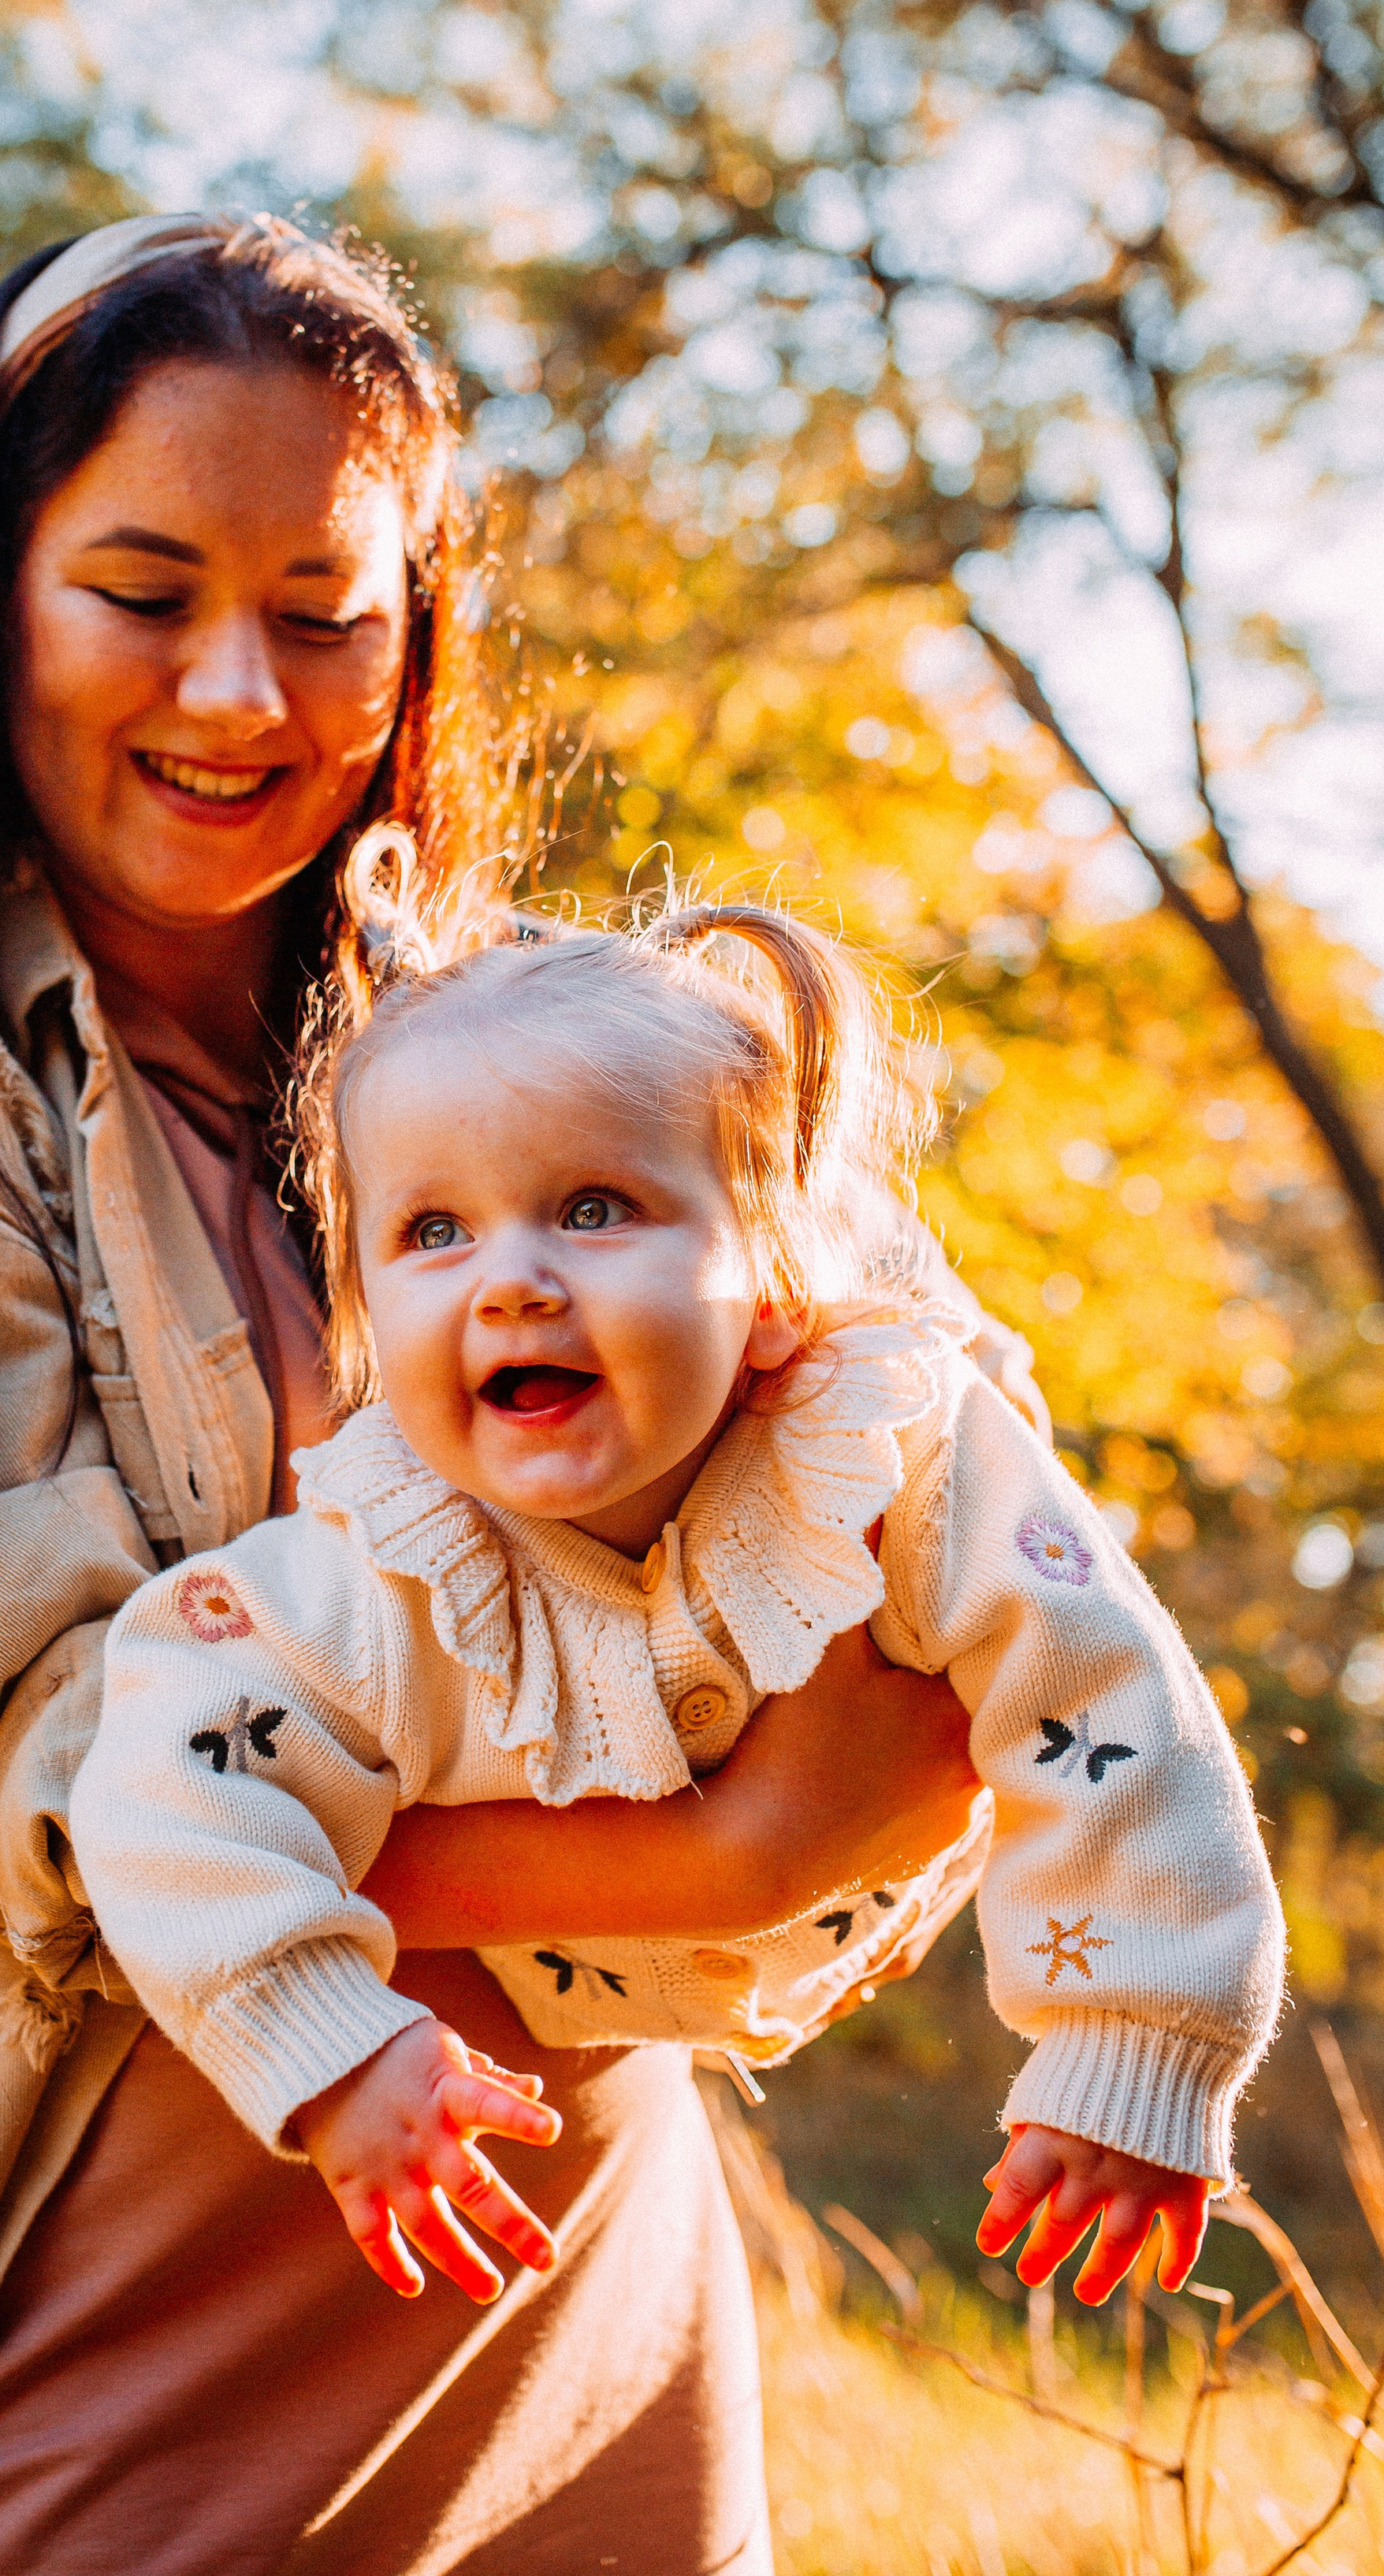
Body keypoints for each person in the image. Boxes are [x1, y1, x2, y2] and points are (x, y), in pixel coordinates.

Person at [0, 212, 1008, 2576]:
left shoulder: (538, 1054)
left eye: (326, 610)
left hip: (559, 2307)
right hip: (86, 2335)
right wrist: (730, 1852)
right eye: (143, 590)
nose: (241, 697)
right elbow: (60, 1789)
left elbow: (909, 1479)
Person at [73, 853, 1284, 2322]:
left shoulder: (890, 1457)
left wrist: (1132, 2044)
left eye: (592, 1208)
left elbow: (1106, 1697)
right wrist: (329, 2044)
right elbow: (158, 1778)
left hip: (728, 2057)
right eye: (432, 1232)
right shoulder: (371, 1571)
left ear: (776, 1289)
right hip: (511, 2094)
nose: (507, 1282)